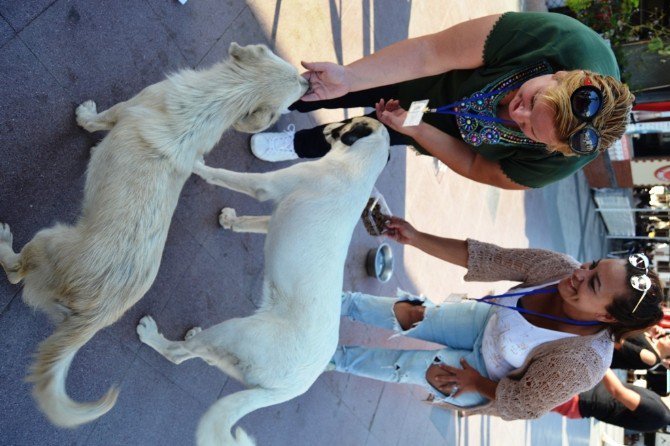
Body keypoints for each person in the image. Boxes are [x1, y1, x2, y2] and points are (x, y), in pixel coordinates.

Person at [328, 217, 664, 419]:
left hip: (486, 376)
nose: (579, 273)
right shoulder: (559, 267)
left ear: (606, 315)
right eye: (592, 264)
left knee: (415, 367)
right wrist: (414, 237)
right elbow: (489, 258)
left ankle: (329, 358)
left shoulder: (582, 362)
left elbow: (523, 405)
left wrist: (475, 383)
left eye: (593, 282)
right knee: (412, 314)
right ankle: (333, 303)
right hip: (486, 321)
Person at [251, 12, 635, 189]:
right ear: (559, 74)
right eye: (532, 100)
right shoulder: (561, 39)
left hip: (446, 130)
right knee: (348, 86)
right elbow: (429, 54)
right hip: (436, 78)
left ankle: (299, 143)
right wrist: (350, 77)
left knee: (373, 132)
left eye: (531, 130)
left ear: (553, 148)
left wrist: (416, 130)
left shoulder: (555, 163)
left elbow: (472, 163)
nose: (518, 114)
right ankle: (283, 101)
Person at [552, 369, 670, 432]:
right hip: (580, 393)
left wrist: (602, 363)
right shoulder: (661, 407)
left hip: (577, 399)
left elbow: (618, 392)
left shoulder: (659, 413)